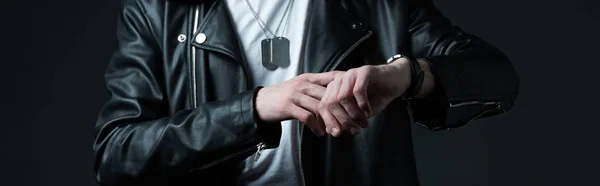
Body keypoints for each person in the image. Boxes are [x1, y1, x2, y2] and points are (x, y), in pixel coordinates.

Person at [93, 0, 519, 185]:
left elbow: (496, 77)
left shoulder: (379, 5)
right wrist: (256, 109)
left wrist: (407, 75)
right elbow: (118, 154)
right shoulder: (159, 11)